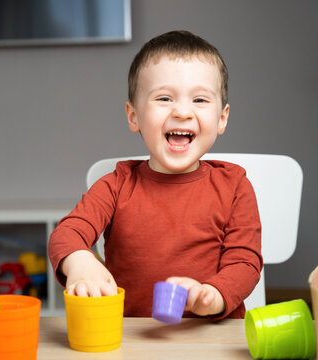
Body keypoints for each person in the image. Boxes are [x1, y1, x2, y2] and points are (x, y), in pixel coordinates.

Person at [48, 30, 263, 319]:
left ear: (221, 118)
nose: (183, 112)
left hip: (210, 335)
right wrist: (79, 261)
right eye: (164, 98)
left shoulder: (235, 185)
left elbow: (245, 262)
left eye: (199, 100)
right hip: (131, 340)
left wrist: (210, 296)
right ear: (134, 116)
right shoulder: (116, 185)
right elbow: (67, 233)